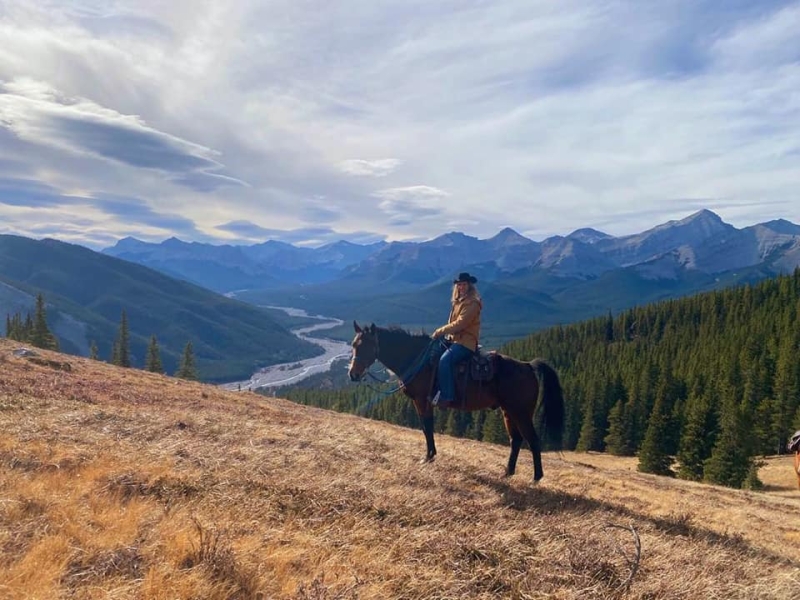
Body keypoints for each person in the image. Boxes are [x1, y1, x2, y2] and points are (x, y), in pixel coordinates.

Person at [431, 272, 482, 406]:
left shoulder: (473, 303)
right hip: (454, 340)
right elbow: (452, 322)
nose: (461, 287)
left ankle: (447, 396)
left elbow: (461, 323)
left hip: (466, 342)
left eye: (464, 284)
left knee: (445, 361)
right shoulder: (458, 302)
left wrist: (439, 331)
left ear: (469, 285)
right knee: (432, 354)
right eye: (459, 285)